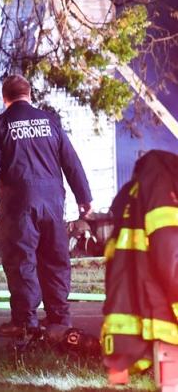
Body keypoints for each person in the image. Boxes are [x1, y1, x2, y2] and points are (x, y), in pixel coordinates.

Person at [0, 74, 93, 337]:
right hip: (52, 202)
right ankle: (60, 319)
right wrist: (84, 197)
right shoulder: (50, 122)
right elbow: (71, 162)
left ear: (5, 98)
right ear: (29, 95)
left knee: (21, 261)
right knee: (55, 259)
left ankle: (25, 321)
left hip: (18, 203)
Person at [101, 150, 178, 386]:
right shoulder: (162, 187)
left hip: (133, 311)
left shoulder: (133, 191)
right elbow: (170, 254)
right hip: (158, 309)